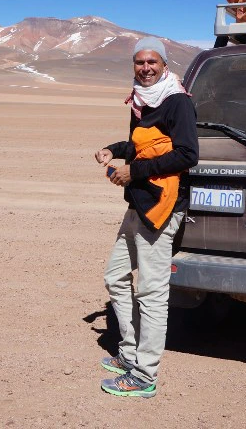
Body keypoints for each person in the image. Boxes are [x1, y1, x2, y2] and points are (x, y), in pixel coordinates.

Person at [94, 36, 198, 398]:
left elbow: (187, 155)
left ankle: (145, 375)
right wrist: (113, 149)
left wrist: (134, 172)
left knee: (152, 293)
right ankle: (129, 352)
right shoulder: (141, 100)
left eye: (152, 62)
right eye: (139, 62)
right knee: (115, 277)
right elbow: (138, 146)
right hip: (139, 204)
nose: (146, 68)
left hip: (162, 207)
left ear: (165, 65)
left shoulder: (177, 103)